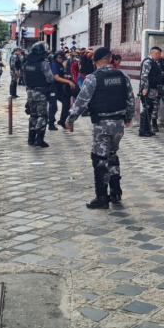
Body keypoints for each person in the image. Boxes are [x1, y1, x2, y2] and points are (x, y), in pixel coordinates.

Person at [66, 47, 135, 210]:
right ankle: (116, 192)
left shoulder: (93, 78)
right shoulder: (122, 76)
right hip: (118, 124)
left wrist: (70, 119)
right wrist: (129, 117)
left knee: (99, 158)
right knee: (112, 155)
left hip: (102, 124)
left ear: (94, 61)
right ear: (111, 59)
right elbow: (130, 99)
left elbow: (81, 101)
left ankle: (102, 198)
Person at [21, 42, 56, 147]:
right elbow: (50, 78)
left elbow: (24, 78)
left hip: (30, 92)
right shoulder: (43, 63)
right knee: (42, 115)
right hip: (41, 92)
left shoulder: (27, 62)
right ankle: (39, 139)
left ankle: (31, 139)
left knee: (33, 115)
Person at [138, 47, 163, 137]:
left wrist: (156, 90)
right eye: (159, 54)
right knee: (147, 109)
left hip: (152, 89)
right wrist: (145, 89)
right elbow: (144, 76)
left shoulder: (154, 62)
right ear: (155, 54)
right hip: (147, 90)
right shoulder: (148, 62)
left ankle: (147, 129)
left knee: (150, 109)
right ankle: (143, 130)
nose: (160, 56)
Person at [51, 52, 76, 129]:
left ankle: (62, 121)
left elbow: (61, 74)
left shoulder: (60, 64)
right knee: (53, 106)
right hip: (53, 87)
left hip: (60, 87)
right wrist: (68, 81)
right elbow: (56, 77)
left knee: (66, 103)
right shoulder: (53, 64)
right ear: (58, 57)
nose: (63, 60)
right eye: (62, 59)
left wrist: (66, 76)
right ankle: (51, 123)